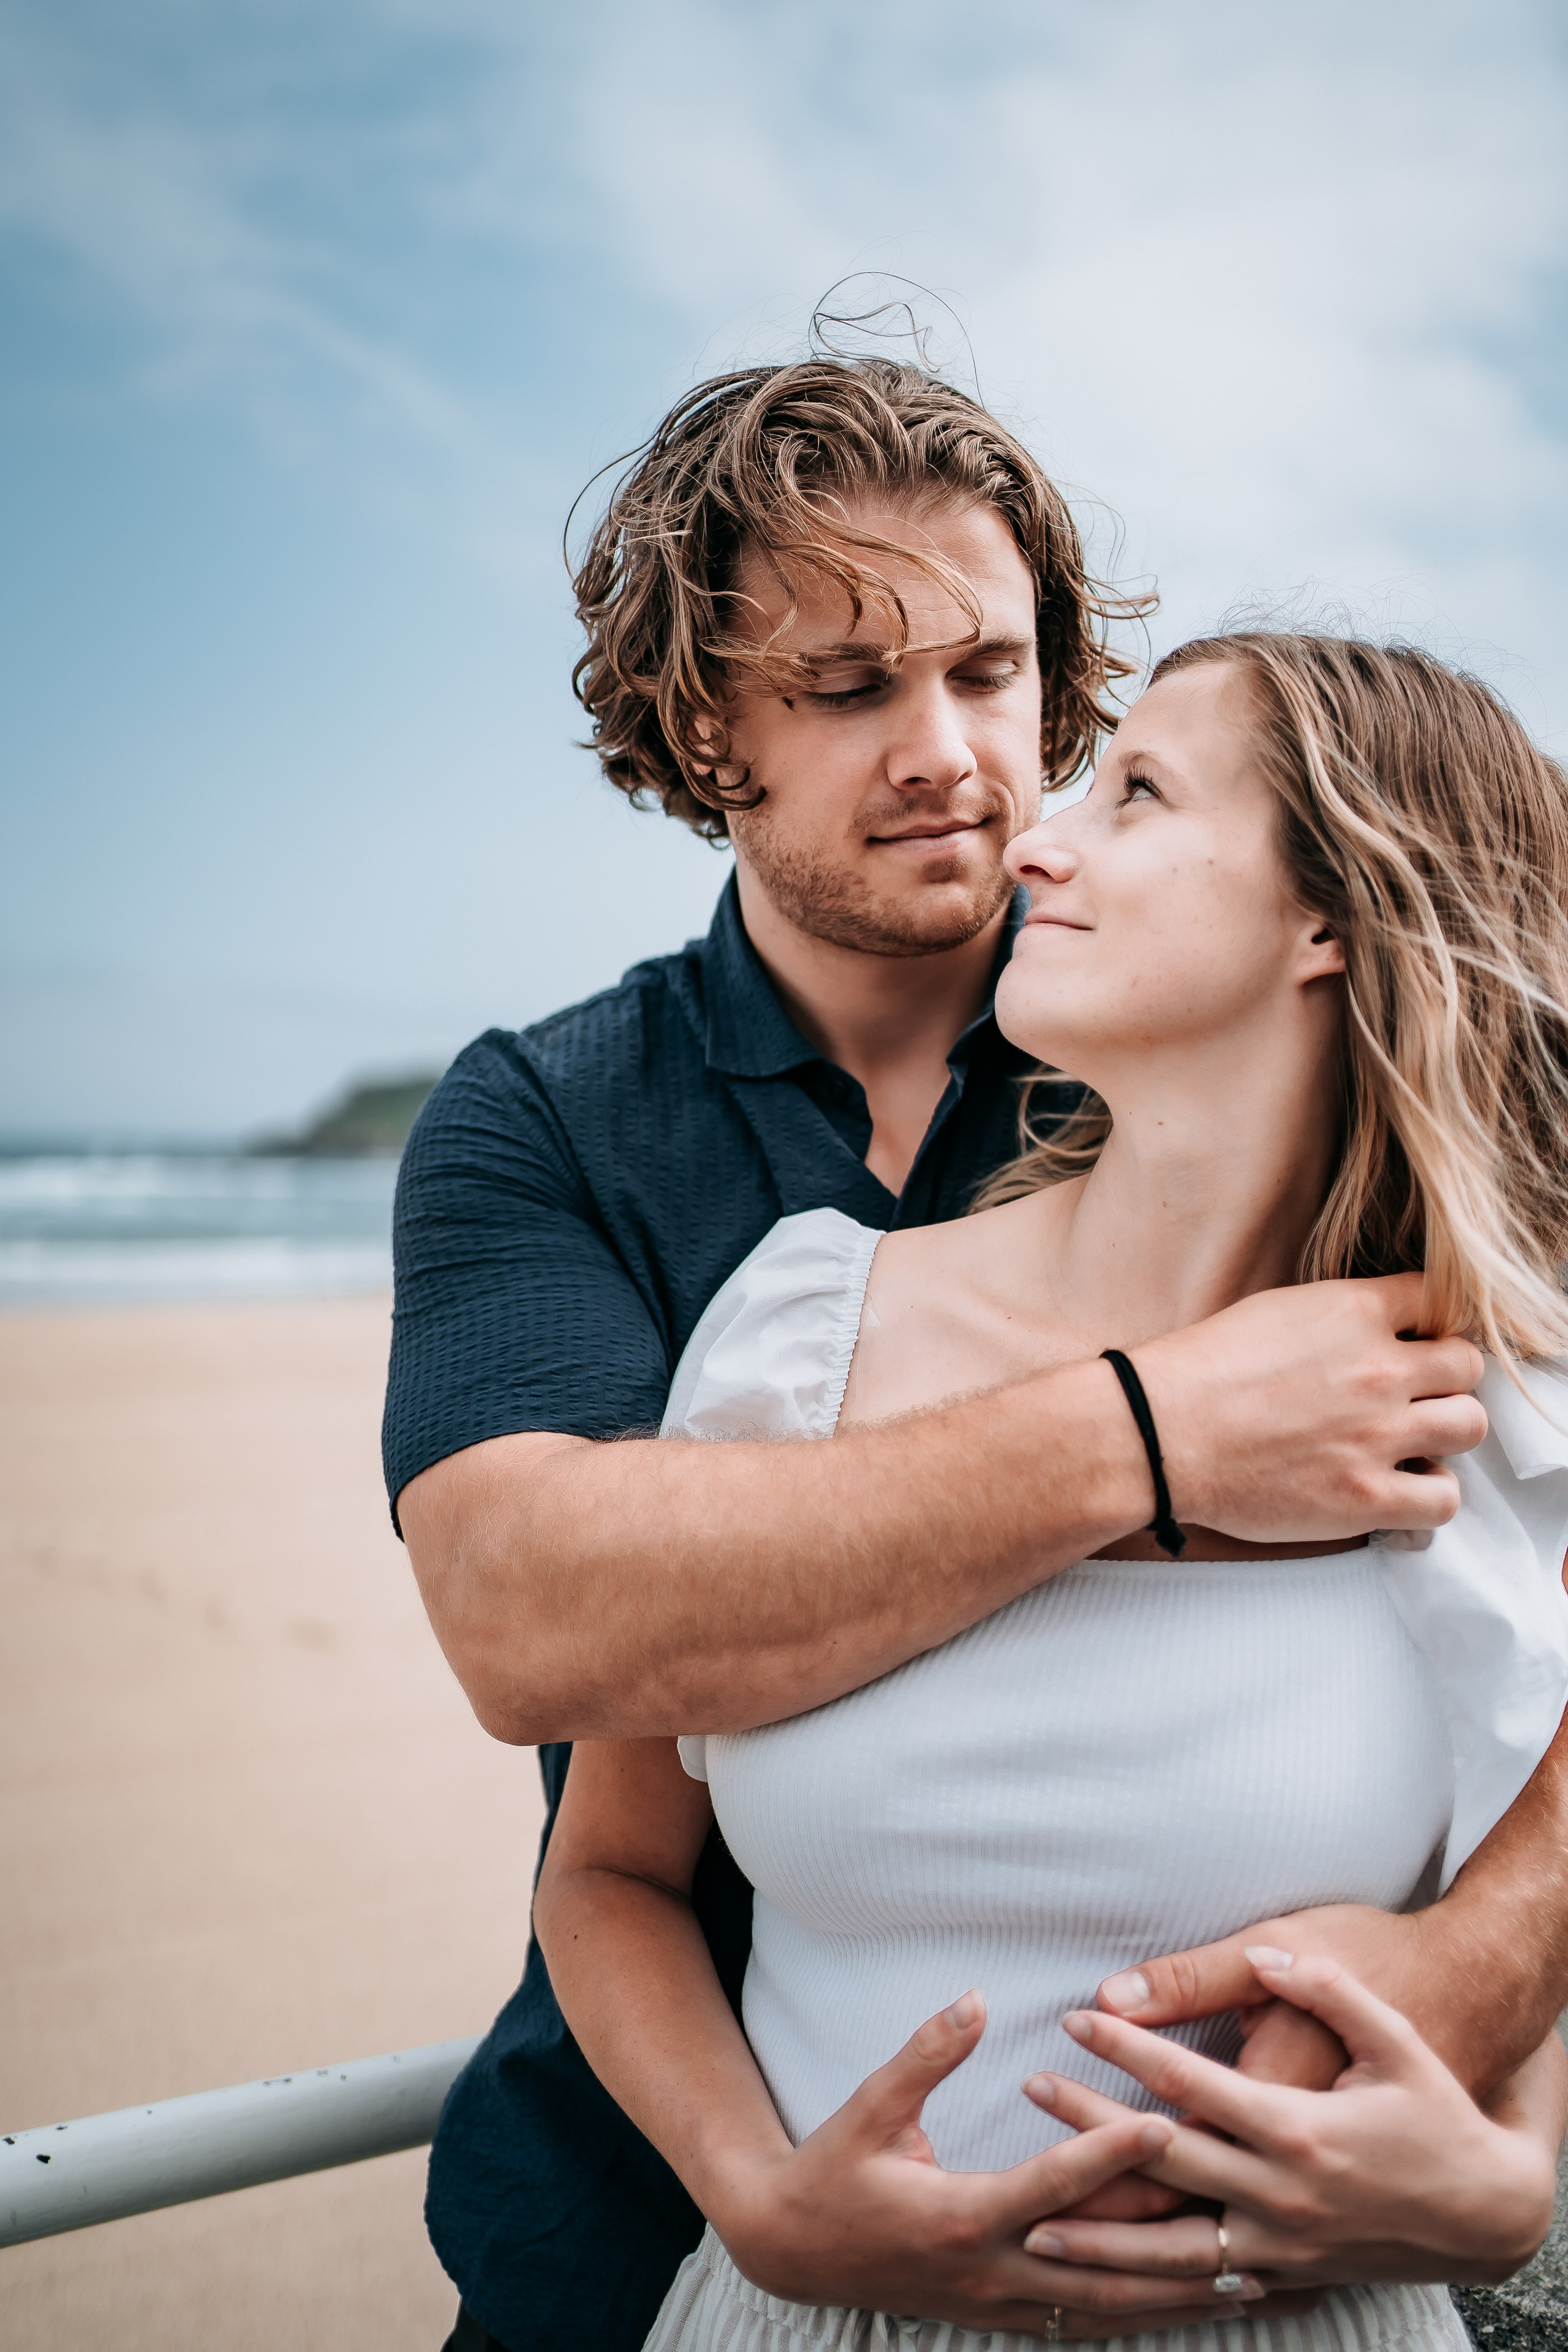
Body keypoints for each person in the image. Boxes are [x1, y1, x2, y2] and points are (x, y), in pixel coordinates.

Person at [382, 356, 1565, 2352]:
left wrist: (1478, 2013)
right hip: (648, 2208)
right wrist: (1151, 1434)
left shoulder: (1187, 1043)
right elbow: (525, 1627)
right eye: (851, 691)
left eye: (998, 678)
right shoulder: (557, 1120)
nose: (965, 767)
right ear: (704, 726)